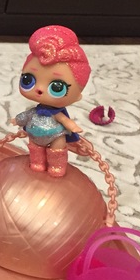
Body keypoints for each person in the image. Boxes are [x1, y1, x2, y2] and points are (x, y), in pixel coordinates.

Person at [12, 25, 91, 178]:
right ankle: (37, 163)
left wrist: (73, 127)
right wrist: (17, 120)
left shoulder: (56, 114)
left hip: (56, 135)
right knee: (35, 149)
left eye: (57, 87)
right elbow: (26, 115)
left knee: (58, 148)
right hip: (35, 135)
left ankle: (57, 166)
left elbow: (65, 121)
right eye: (28, 79)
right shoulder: (35, 111)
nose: (39, 89)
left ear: (77, 96)